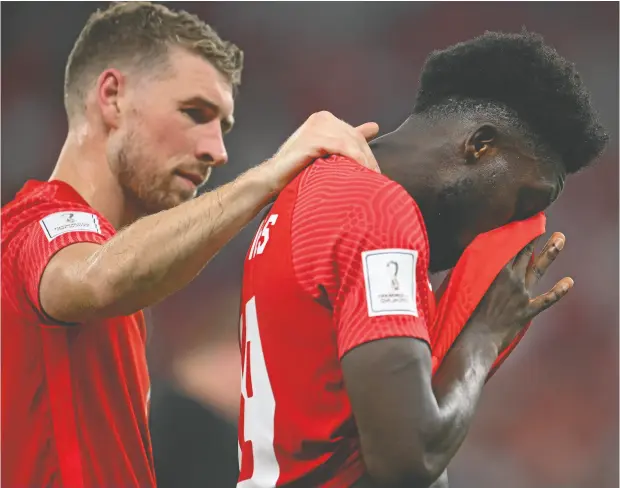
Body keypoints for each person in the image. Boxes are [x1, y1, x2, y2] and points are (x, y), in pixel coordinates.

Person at [0, 3, 380, 488]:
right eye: (194, 113)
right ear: (112, 97)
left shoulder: (119, 272)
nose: (216, 152)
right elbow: (96, 277)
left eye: (222, 127)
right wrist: (270, 172)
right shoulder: (34, 225)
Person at [237, 31, 608, 488]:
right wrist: (483, 338)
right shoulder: (378, 212)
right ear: (480, 145)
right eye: (526, 201)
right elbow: (408, 459)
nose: (513, 229)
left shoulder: (312, 187)